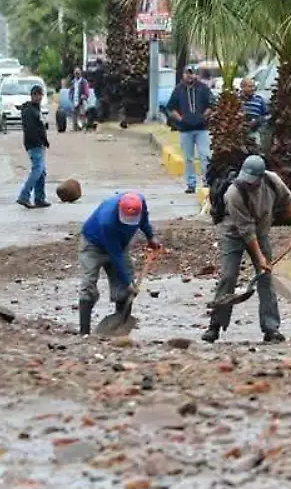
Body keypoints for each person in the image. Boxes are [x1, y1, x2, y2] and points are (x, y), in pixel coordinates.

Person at [204, 155, 291, 344]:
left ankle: (271, 328)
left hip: (260, 232)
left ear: (261, 177)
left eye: (253, 182)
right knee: (228, 277)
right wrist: (260, 258)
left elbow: (287, 199)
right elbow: (246, 230)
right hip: (233, 234)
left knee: (265, 278)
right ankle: (215, 325)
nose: (248, 184)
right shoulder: (233, 194)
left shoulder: (272, 181)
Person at [78, 192, 162, 335]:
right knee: (88, 284)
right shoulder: (107, 220)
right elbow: (115, 254)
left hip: (119, 245)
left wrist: (150, 236)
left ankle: (120, 325)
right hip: (93, 245)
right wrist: (129, 280)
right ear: (119, 208)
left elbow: (144, 220)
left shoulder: (140, 202)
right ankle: (84, 333)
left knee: (124, 289)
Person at [165, 69, 216, 194]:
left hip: (202, 129)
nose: (190, 76)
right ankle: (191, 184)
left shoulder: (203, 88)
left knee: (205, 156)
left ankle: (206, 182)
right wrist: (181, 119)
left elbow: (211, 104)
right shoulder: (179, 89)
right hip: (185, 130)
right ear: (183, 75)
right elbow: (171, 108)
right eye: (187, 73)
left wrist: (203, 116)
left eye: (192, 73)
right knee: (188, 158)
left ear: (196, 75)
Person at [17, 85, 51, 209]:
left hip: (39, 144)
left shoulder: (36, 109)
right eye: (36, 94)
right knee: (37, 170)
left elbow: (40, 127)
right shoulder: (29, 110)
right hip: (34, 144)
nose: (39, 97)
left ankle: (39, 198)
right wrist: (39, 141)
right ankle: (24, 196)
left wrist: (45, 141)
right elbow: (31, 130)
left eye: (40, 94)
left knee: (42, 172)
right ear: (32, 96)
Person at [239, 77, 269, 146]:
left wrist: (257, 121)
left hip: (254, 132)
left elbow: (266, 115)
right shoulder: (236, 99)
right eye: (250, 86)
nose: (253, 89)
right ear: (242, 87)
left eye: (253, 86)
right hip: (239, 134)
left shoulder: (259, 100)